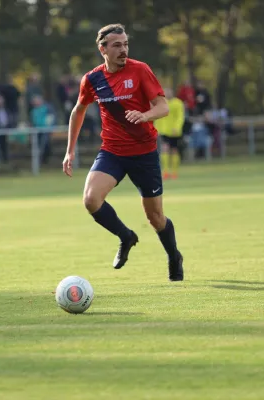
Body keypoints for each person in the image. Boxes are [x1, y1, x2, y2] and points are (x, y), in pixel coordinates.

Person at [61, 23, 184, 281]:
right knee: (91, 200)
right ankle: (125, 236)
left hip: (144, 153)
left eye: (125, 44)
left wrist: (145, 115)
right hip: (112, 152)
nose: (123, 50)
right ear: (102, 49)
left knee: (156, 218)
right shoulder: (92, 79)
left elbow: (162, 107)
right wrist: (69, 151)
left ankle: (174, 255)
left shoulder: (140, 70)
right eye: (117, 45)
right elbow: (78, 111)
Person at [154, 87, 185, 179]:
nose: (167, 93)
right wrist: (156, 128)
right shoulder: (162, 103)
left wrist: (177, 127)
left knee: (174, 150)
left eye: (169, 91)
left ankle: (174, 171)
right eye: (165, 91)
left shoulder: (178, 103)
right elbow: (158, 116)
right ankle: (166, 171)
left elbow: (180, 117)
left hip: (175, 132)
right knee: (165, 149)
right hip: (164, 131)